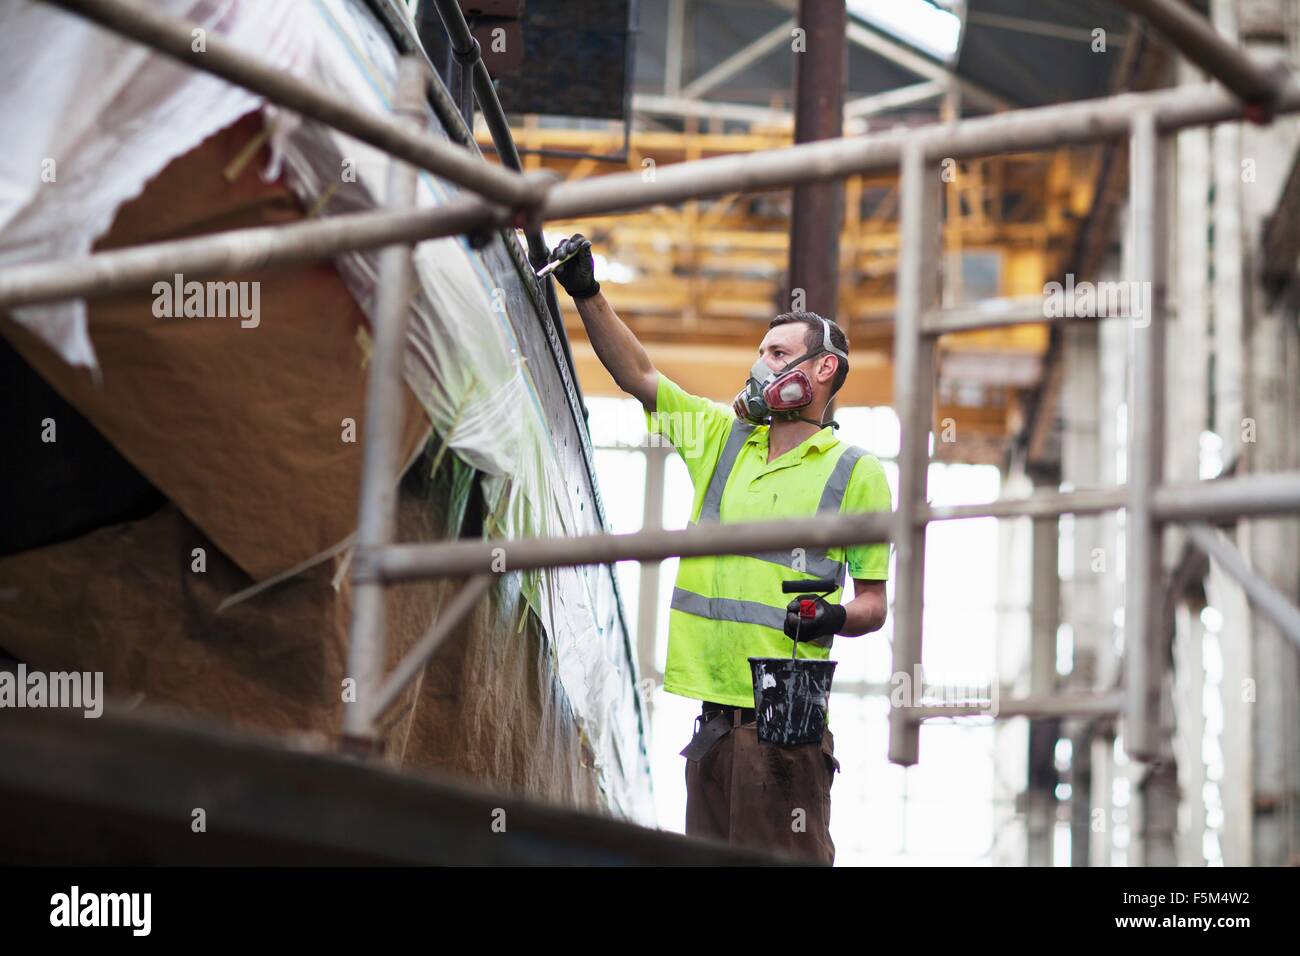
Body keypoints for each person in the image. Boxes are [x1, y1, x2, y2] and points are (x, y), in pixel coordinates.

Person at [547, 234, 891, 864]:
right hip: (712, 729)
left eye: (778, 353)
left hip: (786, 724)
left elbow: (873, 602)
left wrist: (833, 617)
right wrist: (587, 292)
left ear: (822, 370)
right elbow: (640, 376)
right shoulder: (722, 439)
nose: (761, 366)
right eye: (760, 352)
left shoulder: (855, 472)